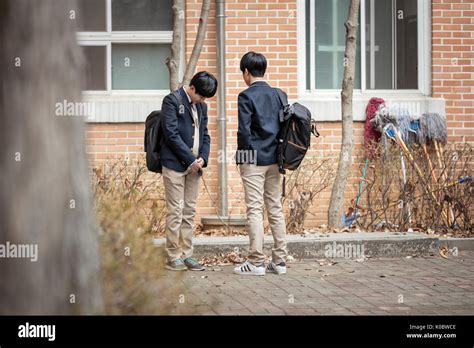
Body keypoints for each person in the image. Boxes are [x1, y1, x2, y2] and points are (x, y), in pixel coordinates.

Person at [233, 52, 288, 276]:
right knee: (275, 208)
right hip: (277, 159)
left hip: (254, 159)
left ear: (246, 72)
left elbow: (244, 132)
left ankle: (256, 262)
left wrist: (242, 159)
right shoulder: (280, 95)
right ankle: (280, 262)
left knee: (255, 209)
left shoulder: (245, 96)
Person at [160, 71, 217, 271]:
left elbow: (206, 135)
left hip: (194, 167)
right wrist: (191, 159)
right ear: (192, 88)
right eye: (200, 96)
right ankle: (173, 255)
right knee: (175, 210)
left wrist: (203, 157)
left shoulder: (202, 106)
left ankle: (187, 254)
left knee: (189, 211)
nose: (202, 100)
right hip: (174, 165)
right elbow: (171, 134)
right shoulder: (172, 101)